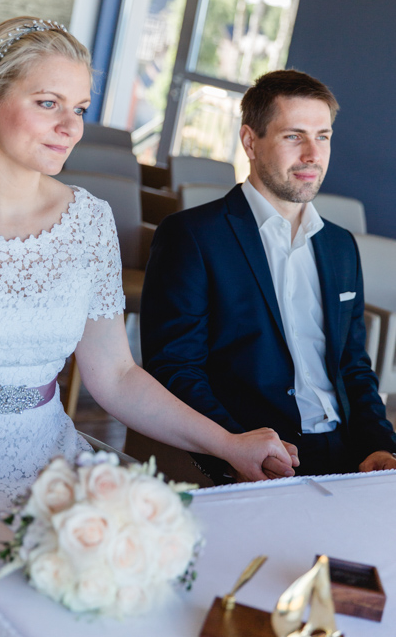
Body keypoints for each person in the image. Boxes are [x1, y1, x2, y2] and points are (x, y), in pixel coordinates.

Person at [0, 18, 294, 556]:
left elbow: (114, 375)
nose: (70, 126)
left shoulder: (90, 222)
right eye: (48, 103)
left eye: (81, 108)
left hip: (51, 465)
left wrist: (231, 445)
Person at [141, 69, 396, 483]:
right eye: (294, 136)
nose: (313, 154)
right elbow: (174, 368)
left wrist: (378, 445)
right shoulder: (192, 235)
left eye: (323, 136)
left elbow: (353, 365)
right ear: (250, 142)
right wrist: (236, 447)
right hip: (252, 454)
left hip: (350, 452)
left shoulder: (340, 245)